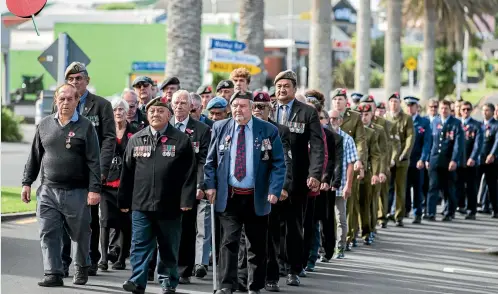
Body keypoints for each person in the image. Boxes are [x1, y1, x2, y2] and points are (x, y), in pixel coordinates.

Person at [204, 91, 286, 294]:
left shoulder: (267, 130)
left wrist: (274, 189)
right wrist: (210, 185)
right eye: (235, 106)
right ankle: (226, 285)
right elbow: (211, 161)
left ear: (251, 108)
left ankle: (254, 285)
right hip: (230, 195)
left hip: (256, 196)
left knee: (256, 245)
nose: (238, 110)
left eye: (242, 106)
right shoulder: (220, 127)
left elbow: (278, 163)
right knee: (228, 242)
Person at [22, 83, 101, 287]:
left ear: (77, 101)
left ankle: (82, 266)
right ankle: (53, 273)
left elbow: (94, 160)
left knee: (81, 234)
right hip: (48, 190)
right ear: (56, 101)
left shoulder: (86, 127)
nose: (65, 102)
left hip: (77, 192)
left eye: (70, 99)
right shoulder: (44, 125)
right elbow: (35, 156)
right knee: (48, 232)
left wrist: (94, 189)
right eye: (62, 98)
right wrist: (27, 182)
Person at [118, 97, 197, 294]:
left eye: (160, 111)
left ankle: (168, 282)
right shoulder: (136, 139)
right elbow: (126, 172)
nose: (155, 114)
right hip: (141, 204)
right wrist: (124, 200)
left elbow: (189, 173)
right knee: (139, 246)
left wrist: (186, 200)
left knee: (169, 246)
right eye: (152, 111)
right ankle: (137, 281)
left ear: (169, 115)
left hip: (170, 205)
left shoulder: (181, 140)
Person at [60, 62, 116, 277]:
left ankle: (90, 259)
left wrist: (101, 169)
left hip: (91, 171)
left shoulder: (101, 105)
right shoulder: (61, 104)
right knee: (64, 218)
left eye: (79, 79)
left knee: (89, 219)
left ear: (87, 81)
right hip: (67, 171)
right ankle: (64, 262)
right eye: (71, 79)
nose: (75, 83)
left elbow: (109, 138)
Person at [270, 70, 324, 286]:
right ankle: (273, 268)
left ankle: (293, 268)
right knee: (272, 226)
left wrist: (315, 174)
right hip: (272, 177)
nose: (282, 90)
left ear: (294, 89)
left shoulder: (307, 112)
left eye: (286, 86)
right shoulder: (268, 109)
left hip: (298, 178)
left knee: (294, 226)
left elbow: (318, 145)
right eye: (279, 86)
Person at [251, 90, 293, 292]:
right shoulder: (245, 127)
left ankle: (271, 276)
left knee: (271, 236)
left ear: (271, 108)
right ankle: (246, 277)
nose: (258, 110)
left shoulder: (279, 130)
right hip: (247, 190)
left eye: (263, 107)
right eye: (256, 106)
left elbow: (285, 161)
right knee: (246, 238)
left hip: (270, 191)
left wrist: (283, 187)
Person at [168, 90, 211, 284]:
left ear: (190, 106)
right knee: (165, 228)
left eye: (183, 103)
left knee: (186, 229)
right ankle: (165, 267)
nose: (178, 106)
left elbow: (204, 161)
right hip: (165, 186)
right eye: (175, 102)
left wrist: (201, 184)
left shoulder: (201, 130)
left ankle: (184, 270)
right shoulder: (164, 125)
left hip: (189, 186)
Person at [98, 98, 134, 271]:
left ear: (127, 112)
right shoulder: (105, 132)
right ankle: (103, 258)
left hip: (126, 184)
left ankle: (121, 258)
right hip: (107, 184)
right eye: (115, 109)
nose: (118, 112)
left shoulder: (134, 132)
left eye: (121, 109)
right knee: (104, 222)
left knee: (125, 223)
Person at [330, 88, 366, 250]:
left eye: (340, 99)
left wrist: (359, 160)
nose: (338, 102)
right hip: (330, 174)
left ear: (346, 102)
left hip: (347, 166)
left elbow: (360, 140)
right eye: (335, 99)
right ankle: (331, 242)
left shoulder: (355, 117)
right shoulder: (327, 117)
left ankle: (348, 237)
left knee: (347, 207)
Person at [426, 99, 464, 221]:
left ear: (449, 109)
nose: (443, 110)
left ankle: (449, 212)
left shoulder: (456, 123)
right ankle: (430, 212)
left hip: (448, 160)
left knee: (448, 188)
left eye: (446, 108)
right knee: (433, 186)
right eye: (441, 108)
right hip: (434, 159)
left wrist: (454, 160)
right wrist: (427, 158)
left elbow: (458, 144)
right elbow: (430, 142)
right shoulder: (434, 122)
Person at [385, 92, 415, 227]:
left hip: (402, 160)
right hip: (387, 159)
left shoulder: (406, 118)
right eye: (391, 101)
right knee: (385, 188)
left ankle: (399, 216)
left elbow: (410, 137)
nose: (393, 104)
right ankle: (384, 214)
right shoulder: (385, 117)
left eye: (396, 101)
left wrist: (405, 153)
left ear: (399, 103)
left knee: (400, 188)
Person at [403, 96, 432, 224]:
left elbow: (427, 143)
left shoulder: (424, 122)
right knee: (404, 187)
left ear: (417, 107)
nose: (409, 108)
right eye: (408, 106)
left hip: (417, 160)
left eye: (412, 105)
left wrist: (423, 158)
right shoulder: (403, 120)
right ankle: (405, 209)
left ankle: (418, 213)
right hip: (404, 160)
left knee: (417, 188)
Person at [456, 101, 483, 220]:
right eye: (463, 109)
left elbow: (478, 144)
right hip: (458, 160)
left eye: (468, 109)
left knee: (471, 186)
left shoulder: (476, 125)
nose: (466, 112)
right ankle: (460, 206)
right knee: (458, 185)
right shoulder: (456, 123)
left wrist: (473, 157)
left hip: (470, 160)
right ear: (460, 111)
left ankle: (472, 210)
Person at [477, 103, 498, 219]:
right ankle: (472, 208)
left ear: (492, 112)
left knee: (492, 186)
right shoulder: (479, 125)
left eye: (487, 110)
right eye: (483, 110)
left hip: (491, 161)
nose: (485, 113)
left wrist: (492, 154)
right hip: (479, 159)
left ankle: (495, 209)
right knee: (474, 184)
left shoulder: (496, 125)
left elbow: (497, 142)